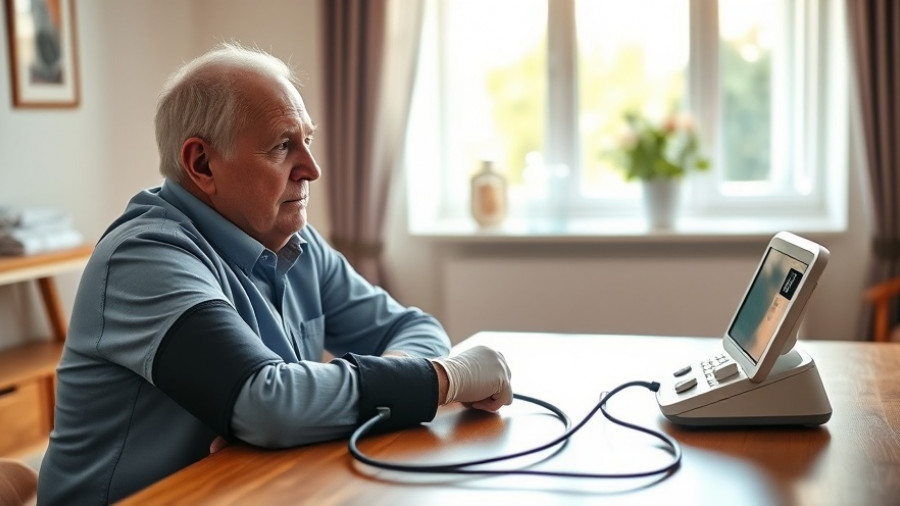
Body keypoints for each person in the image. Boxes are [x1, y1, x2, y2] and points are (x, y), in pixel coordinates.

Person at [37, 42, 513, 504]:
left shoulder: (294, 241)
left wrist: (313, 409)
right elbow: (266, 404)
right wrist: (443, 379)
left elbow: (410, 327)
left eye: (307, 139)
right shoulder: (143, 258)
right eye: (283, 146)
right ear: (201, 163)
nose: (312, 168)